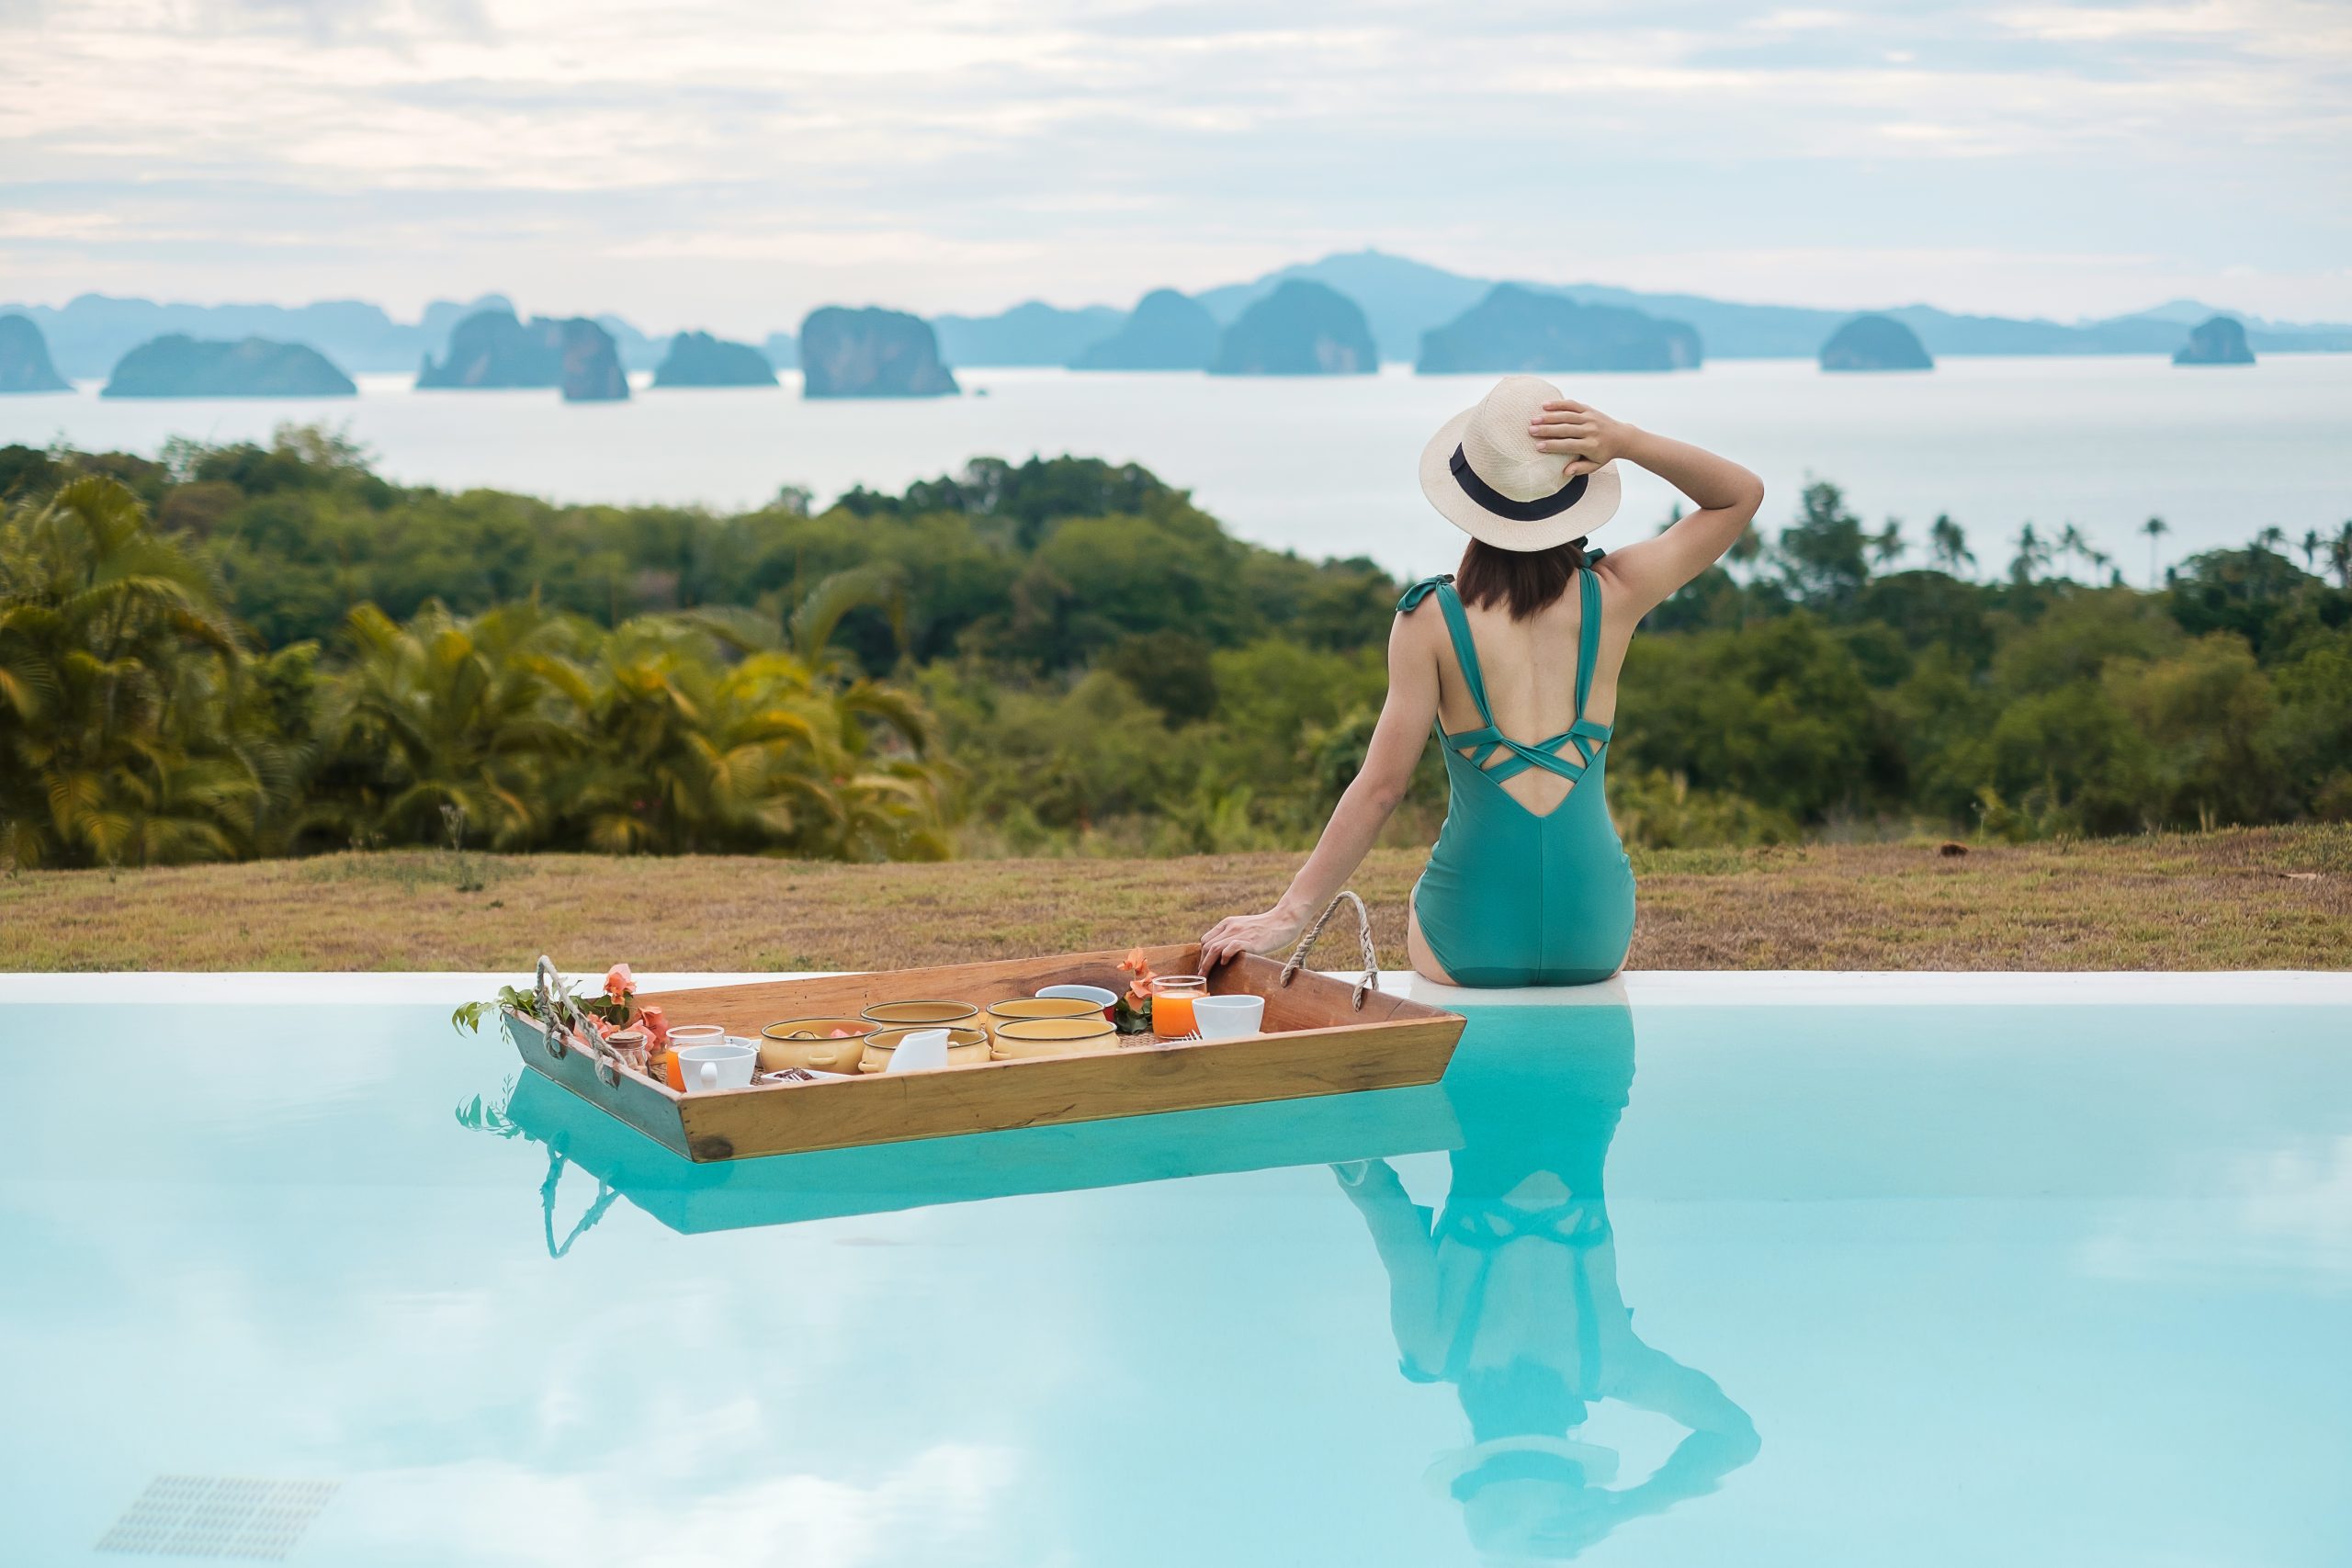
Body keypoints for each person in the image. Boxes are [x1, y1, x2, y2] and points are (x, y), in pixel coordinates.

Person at [1200, 375, 1763, 986]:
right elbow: (1739, 495)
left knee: (1423, 898)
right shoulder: (1619, 593)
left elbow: (1381, 788)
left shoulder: (1429, 620)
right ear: (1573, 491)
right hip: (1593, 932)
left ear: (1469, 498)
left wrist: (1289, 913)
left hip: (1470, 934)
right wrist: (1625, 440)